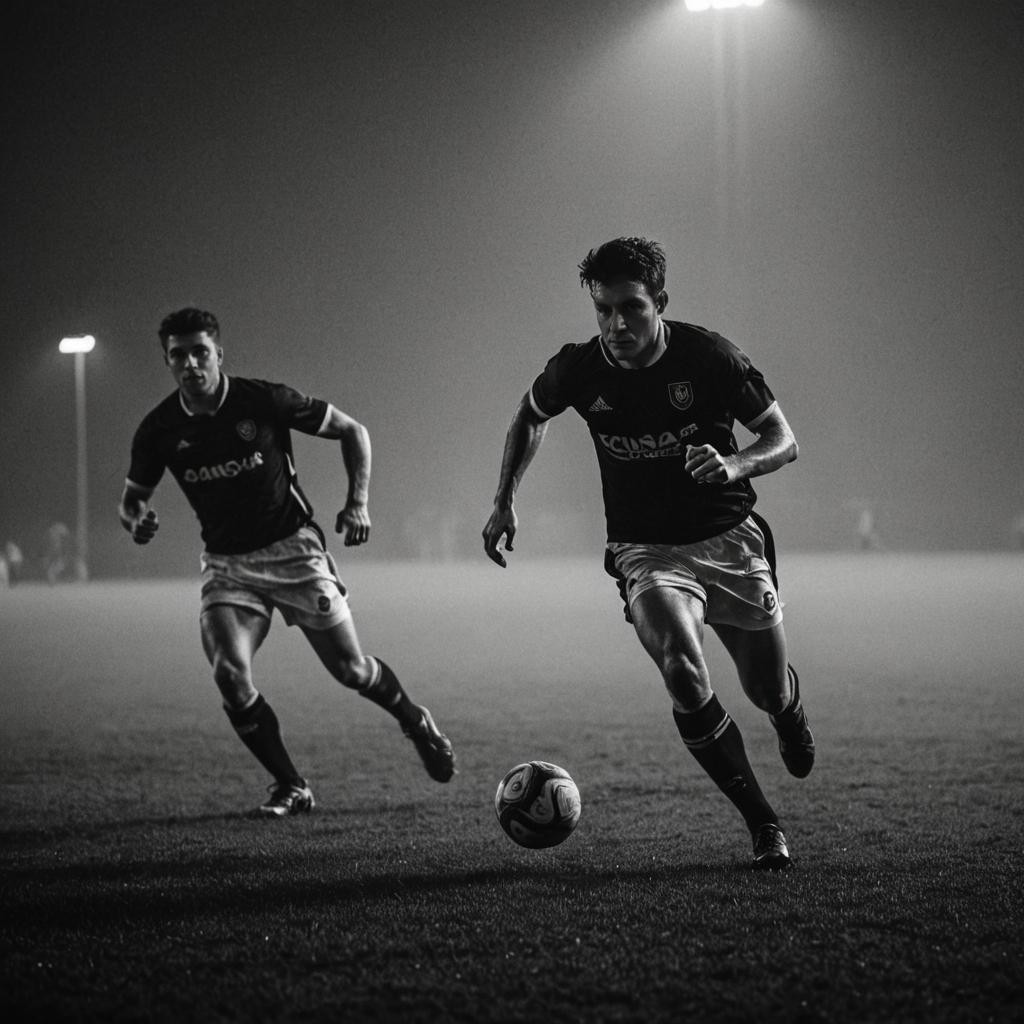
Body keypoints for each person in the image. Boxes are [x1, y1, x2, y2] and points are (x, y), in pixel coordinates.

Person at [482, 238, 814, 870]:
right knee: (683, 669)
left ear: (659, 302)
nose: (615, 326)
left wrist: (734, 463)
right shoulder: (579, 368)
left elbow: (784, 438)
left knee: (765, 689)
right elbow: (527, 416)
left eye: (631, 308)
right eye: (603, 310)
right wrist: (504, 500)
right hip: (646, 551)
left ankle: (788, 710)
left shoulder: (711, 357)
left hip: (731, 539)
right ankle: (764, 823)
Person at [119, 308, 456, 817]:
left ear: (218, 354)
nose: (190, 364)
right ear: (167, 362)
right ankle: (291, 785)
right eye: (178, 356)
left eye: (200, 352)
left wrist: (358, 502)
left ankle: (414, 719)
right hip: (228, 566)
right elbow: (132, 499)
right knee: (230, 675)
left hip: (294, 552)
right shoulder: (159, 429)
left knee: (351, 670)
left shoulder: (263, 400)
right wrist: (136, 520)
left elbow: (352, 430)